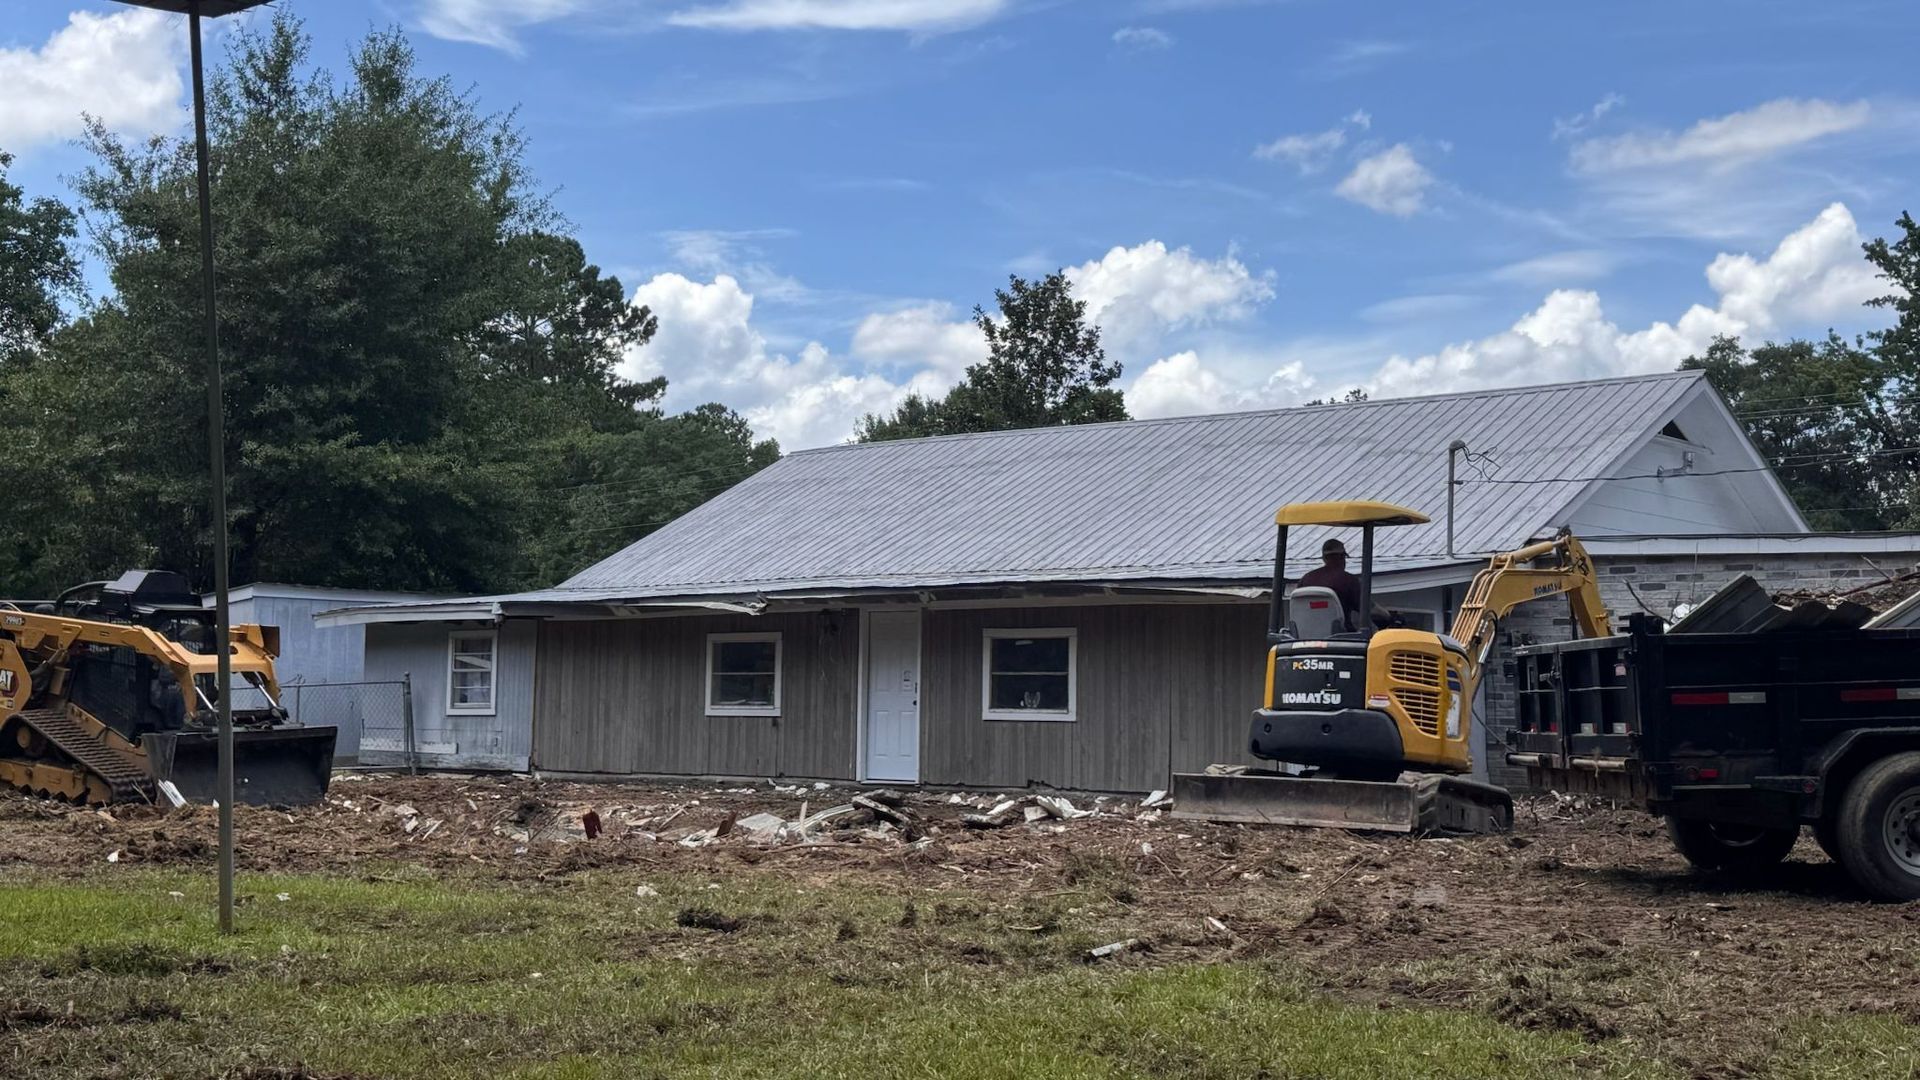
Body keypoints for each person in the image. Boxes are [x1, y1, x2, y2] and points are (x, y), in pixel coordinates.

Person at [1297, 537, 1364, 628]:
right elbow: (1368, 609)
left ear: (1324, 558)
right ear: (1342, 557)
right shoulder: (1349, 580)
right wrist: (1386, 615)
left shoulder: (1305, 580)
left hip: (1306, 637)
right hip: (1342, 637)